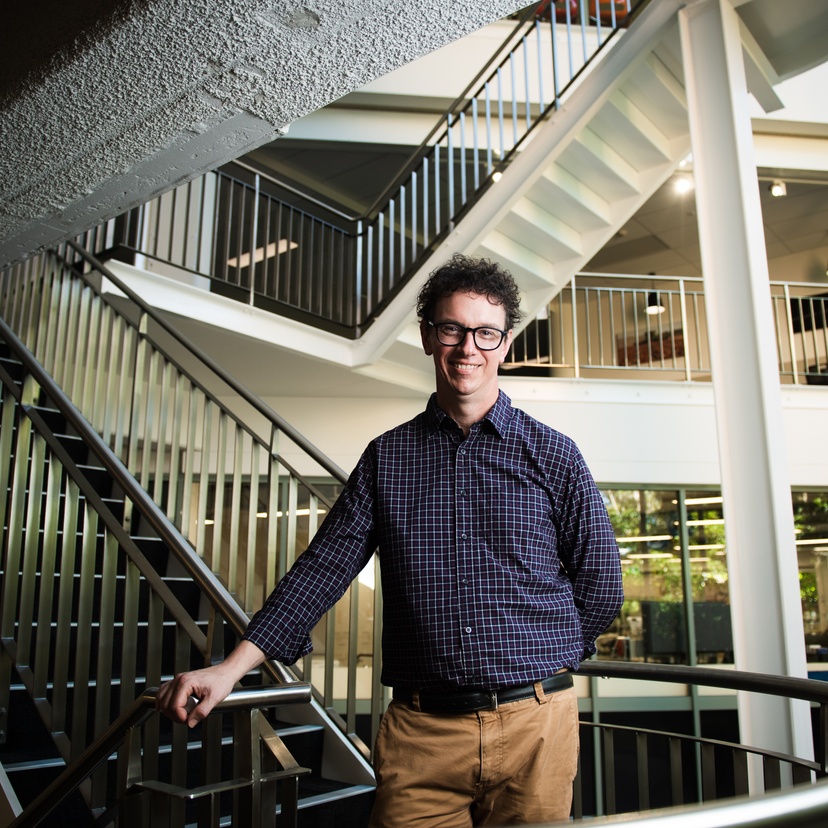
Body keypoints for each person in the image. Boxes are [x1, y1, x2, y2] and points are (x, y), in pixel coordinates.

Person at [157, 253, 623, 826]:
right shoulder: (388, 458)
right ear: (429, 336)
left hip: (538, 728)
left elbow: (601, 584)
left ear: (505, 344)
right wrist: (230, 668)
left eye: (485, 333)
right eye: (452, 328)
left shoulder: (554, 454)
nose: (468, 348)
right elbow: (322, 569)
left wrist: (544, 659)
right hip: (422, 734)